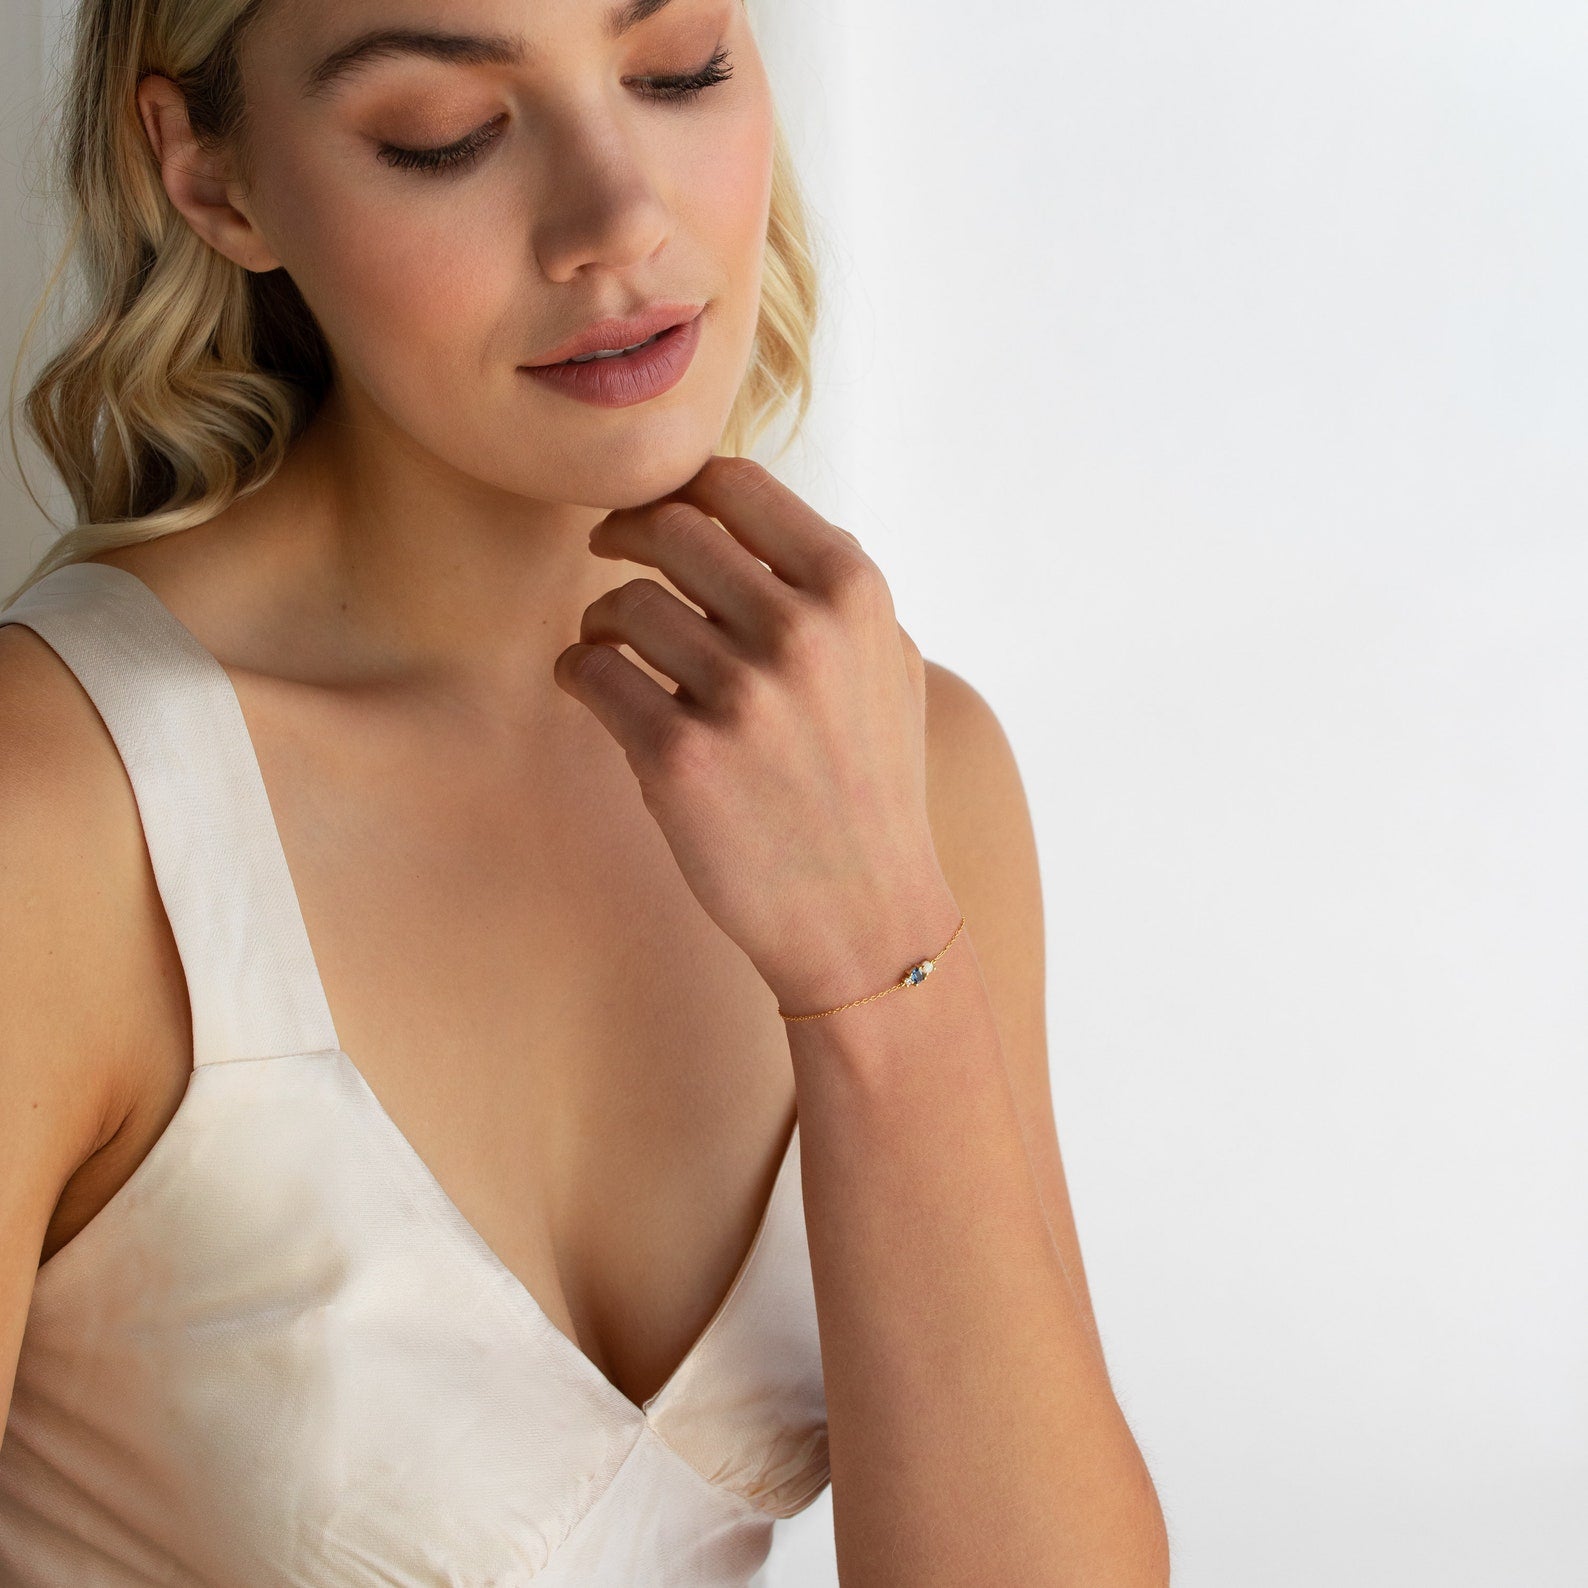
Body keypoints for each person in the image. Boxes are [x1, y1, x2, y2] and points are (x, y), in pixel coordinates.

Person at [0, 1, 1170, 1583]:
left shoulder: (905, 769)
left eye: (679, 64)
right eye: (445, 134)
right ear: (213, 179)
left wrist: (875, 971)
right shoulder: (59, 814)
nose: (620, 217)